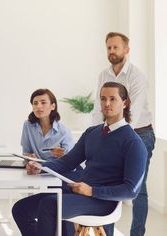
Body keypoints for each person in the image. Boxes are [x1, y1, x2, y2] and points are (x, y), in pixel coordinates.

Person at [12, 82, 148, 236]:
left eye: (112, 99)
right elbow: (67, 161)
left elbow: (131, 191)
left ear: (125, 102)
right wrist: (40, 168)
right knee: (20, 209)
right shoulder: (92, 133)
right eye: (103, 99)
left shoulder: (133, 143)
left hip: (103, 202)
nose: (107, 103)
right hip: (79, 190)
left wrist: (92, 191)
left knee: (49, 205)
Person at [92, 32, 156, 236]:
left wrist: (109, 136)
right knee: (108, 183)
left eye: (115, 47)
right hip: (113, 134)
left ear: (126, 50)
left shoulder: (137, 76)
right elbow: (98, 108)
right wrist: (95, 135)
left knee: (138, 189)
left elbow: (133, 115)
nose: (111, 51)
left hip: (140, 135)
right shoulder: (103, 75)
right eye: (108, 48)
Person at [21, 88, 75, 161]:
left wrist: (61, 155)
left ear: (53, 106)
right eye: (35, 103)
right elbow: (26, 153)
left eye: (43, 102)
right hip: (36, 169)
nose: (38, 106)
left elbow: (70, 160)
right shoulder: (28, 125)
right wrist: (29, 157)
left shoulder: (64, 131)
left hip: (57, 170)